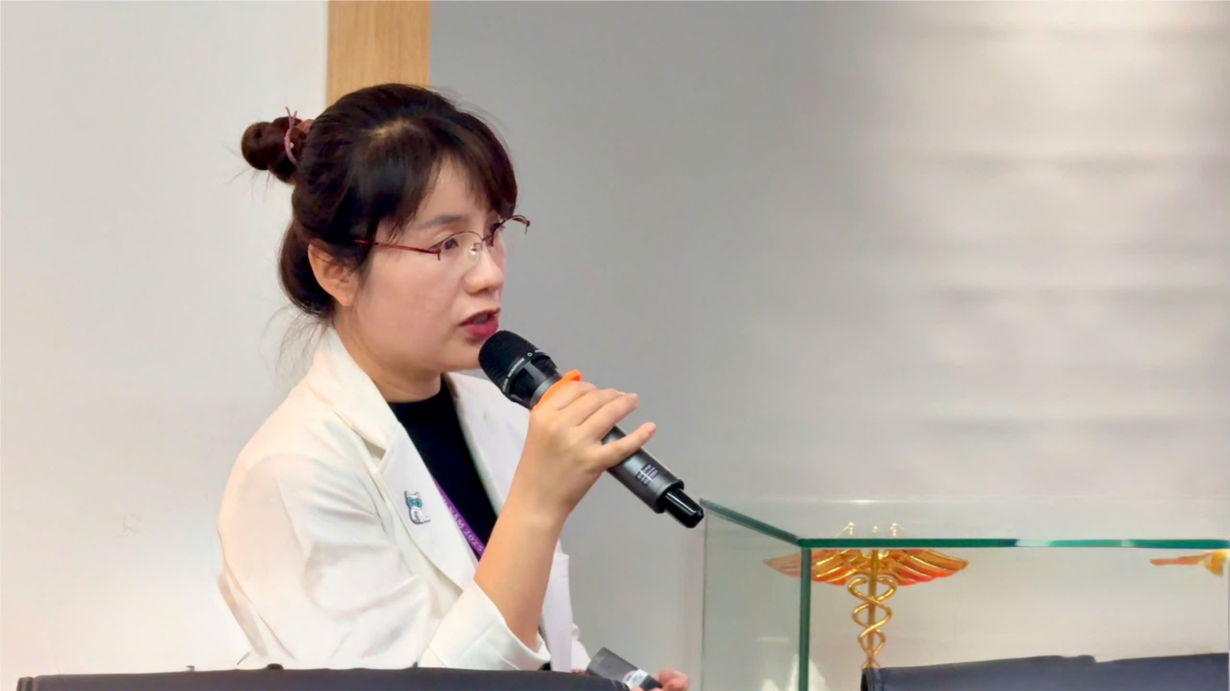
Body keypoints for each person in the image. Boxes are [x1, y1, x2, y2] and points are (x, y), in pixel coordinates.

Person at [216, 83, 689, 688]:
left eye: (492, 233)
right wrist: (538, 504)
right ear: (335, 270)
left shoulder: (501, 413)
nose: (488, 273)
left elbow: (539, 643)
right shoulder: (291, 473)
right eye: (446, 244)